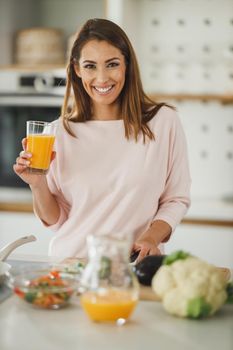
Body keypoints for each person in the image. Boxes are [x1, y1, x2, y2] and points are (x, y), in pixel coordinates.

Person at [13, 18, 191, 261]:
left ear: (127, 65)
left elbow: (175, 199)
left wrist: (151, 237)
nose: (102, 78)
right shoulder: (58, 133)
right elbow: (57, 221)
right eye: (90, 66)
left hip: (131, 269)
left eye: (112, 64)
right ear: (77, 69)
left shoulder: (162, 122)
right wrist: (37, 183)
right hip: (71, 267)